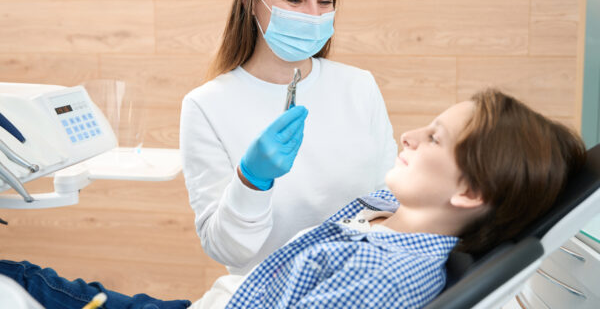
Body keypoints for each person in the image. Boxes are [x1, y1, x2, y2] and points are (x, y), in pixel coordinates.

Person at [0, 89, 587, 309]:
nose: (409, 136)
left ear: (472, 191)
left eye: (433, 137)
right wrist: (251, 180)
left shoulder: (386, 277)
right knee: (24, 276)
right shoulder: (394, 209)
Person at [179, 0, 397, 275]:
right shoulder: (206, 106)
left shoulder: (359, 86)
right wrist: (251, 181)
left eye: (325, 1)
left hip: (357, 284)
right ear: (252, 1)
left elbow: (392, 197)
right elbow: (227, 250)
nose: (313, 14)